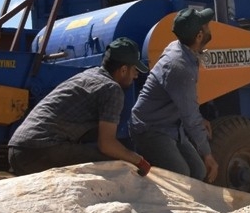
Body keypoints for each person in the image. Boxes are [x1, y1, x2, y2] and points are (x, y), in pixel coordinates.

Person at [8, 37, 151, 176]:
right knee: (120, 167)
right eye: (134, 70)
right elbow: (106, 144)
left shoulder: (89, 75)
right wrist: (138, 160)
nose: (136, 75)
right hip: (39, 150)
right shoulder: (111, 89)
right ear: (124, 70)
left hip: (19, 148)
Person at [129, 6, 219, 183]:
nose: (210, 28)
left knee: (198, 172)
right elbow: (190, 116)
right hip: (150, 128)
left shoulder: (179, 47)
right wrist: (208, 155)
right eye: (206, 26)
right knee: (181, 176)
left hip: (171, 126)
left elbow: (186, 104)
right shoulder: (180, 67)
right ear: (199, 36)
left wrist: (199, 120)